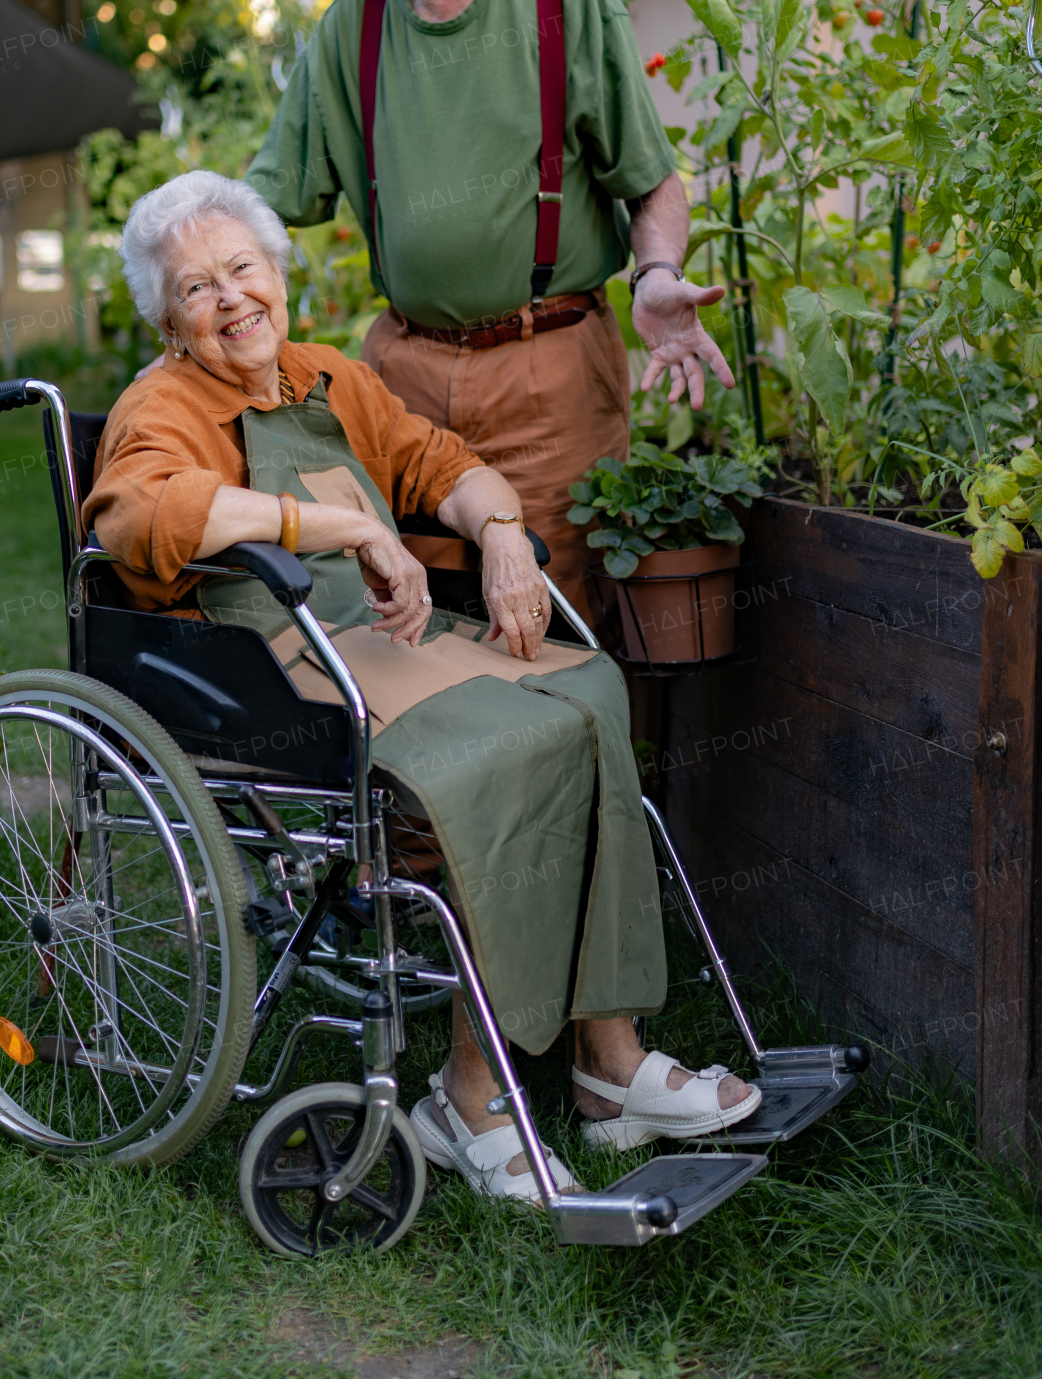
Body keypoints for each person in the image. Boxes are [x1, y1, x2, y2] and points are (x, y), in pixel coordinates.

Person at [83, 170, 760, 1203]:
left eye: (242, 270)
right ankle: (467, 1098)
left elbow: (442, 462)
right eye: (194, 290)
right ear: (168, 322)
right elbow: (136, 520)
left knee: (587, 695)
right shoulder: (162, 406)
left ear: (278, 274)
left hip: (386, 642)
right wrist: (344, 528)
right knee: (496, 754)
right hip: (278, 680)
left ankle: (605, 1060)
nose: (228, 301)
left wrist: (496, 536)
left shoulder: (324, 380)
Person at [246, 0, 736, 617]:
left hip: (547, 379)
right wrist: (190, 273)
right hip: (399, 381)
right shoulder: (351, 28)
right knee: (393, 613)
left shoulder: (567, 2)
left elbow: (653, 186)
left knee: (553, 615)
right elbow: (264, 202)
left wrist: (655, 277)